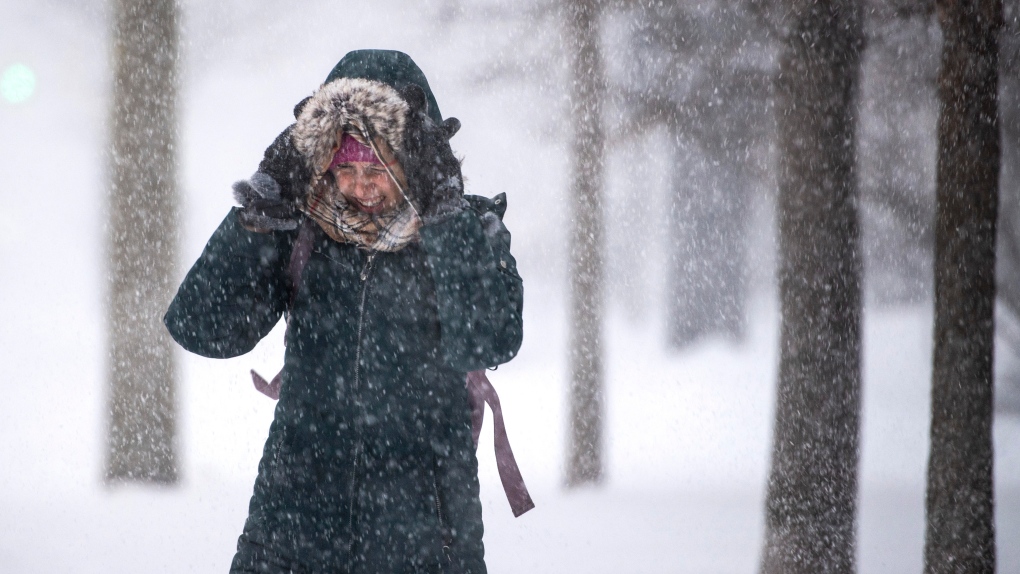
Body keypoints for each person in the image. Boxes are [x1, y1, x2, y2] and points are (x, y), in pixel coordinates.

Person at [164, 49, 523, 574]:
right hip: (291, 535)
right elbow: (201, 327)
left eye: (378, 167)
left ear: (415, 161)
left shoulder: (469, 230)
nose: (360, 185)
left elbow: (491, 339)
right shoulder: (302, 231)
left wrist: (445, 216)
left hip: (427, 544)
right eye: (345, 167)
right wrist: (260, 216)